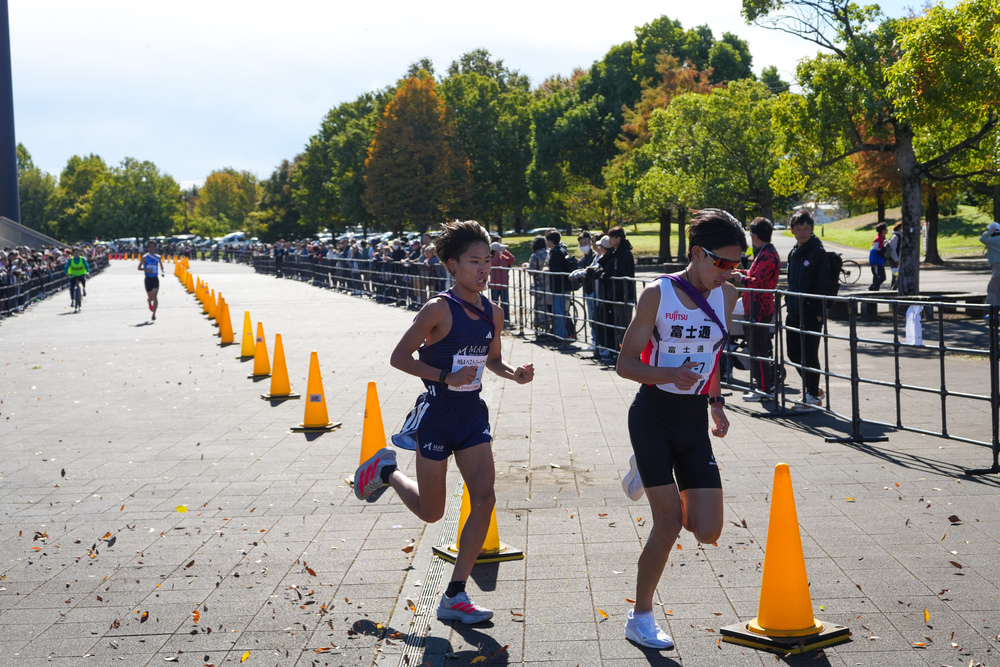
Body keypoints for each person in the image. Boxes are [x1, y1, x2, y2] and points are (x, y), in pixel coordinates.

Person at [353, 220, 534, 625]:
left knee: (484, 497)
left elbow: (492, 360)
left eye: (488, 261)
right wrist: (443, 377)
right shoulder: (437, 309)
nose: (484, 269)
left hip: (472, 415)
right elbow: (399, 358)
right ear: (452, 265)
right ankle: (386, 471)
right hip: (436, 417)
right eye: (475, 262)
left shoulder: (494, 312)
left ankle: (455, 595)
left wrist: (513, 373)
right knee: (432, 513)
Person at [615, 209, 743, 650]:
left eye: (736, 264)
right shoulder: (658, 294)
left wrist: (717, 402)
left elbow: (711, 354)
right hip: (652, 415)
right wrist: (664, 373)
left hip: (693, 422)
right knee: (667, 524)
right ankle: (641, 615)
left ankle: (647, 474)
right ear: (696, 253)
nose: (728, 273)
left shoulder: (727, 296)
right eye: (721, 263)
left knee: (706, 530)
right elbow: (625, 363)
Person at [785, 209, 829, 411]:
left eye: (806, 228)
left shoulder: (818, 252)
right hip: (793, 311)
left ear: (812, 229)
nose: (802, 232)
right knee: (793, 354)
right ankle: (814, 388)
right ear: (792, 230)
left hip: (812, 312)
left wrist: (820, 310)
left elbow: (823, 283)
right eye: (798, 228)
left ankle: (812, 396)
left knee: (810, 354)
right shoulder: (793, 252)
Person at [733, 217, 780, 401]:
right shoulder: (765, 252)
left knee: (758, 350)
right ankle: (762, 387)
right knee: (756, 349)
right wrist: (742, 273)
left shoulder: (767, 254)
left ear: (755, 237)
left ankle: (764, 389)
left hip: (759, 307)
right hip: (756, 306)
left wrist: (741, 279)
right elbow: (756, 276)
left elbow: (758, 283)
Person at [604, 226, 636, 353]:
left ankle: (626, 354)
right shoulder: (615, 253)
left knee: (624, 326)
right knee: (618, 325)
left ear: (618, 238)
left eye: (612, 237)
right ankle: (619, 352)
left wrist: (622, 293)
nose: (609, 240)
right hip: (616, 295)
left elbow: (624, 275)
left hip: (624, 295)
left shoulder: (625, 254)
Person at [544, 230, 571, 340]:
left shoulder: (556, 253)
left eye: (546, 240)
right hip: (563, 286)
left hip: (559, 288)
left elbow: (557, 270)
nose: (545, 242)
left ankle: (560, 336)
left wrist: (549, 271)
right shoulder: (562, 250)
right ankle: (563, 333)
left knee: (559, 312)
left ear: (551, 241)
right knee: (561, 311)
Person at [525, 236, 551, 335]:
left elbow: (531, 270)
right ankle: (548, 328)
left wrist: (526, 266)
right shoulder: (549, 252)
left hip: (540, 284)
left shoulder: (535, 255)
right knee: (549, 306)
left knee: (540, 306)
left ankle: (543, 327)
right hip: (550, 284)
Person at [488, 239, 516, 323]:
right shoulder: (490, 258)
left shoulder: (503, 257)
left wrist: (505, 251)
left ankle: (506, 320)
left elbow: (512, 260)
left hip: (504, 284)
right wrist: (496, 254)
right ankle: (495, 320)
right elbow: (493, 263)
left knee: (505, 303)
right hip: (495, 285)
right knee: (495, 303)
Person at [138, 241, 165, 320]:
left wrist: (163, 272)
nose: (152, 248)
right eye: (150, 247)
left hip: (155, 279)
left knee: (155, 296)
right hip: (148, 279)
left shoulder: (158, 257)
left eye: (153, 246)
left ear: (155, 248)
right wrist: (146, 269)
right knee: (151, 297)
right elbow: (139, 268)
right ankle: (149, 301)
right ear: (148, 248)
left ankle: (154, 314)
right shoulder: (145, 257)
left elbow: (161, 267)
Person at [981, 222, 1000, 316]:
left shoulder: (994, 240)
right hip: (997, 265)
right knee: (997, 289)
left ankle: (992, 312)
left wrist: (989, 232)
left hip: (998, 266)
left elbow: (982, 239)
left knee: (992, 289)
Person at [869, 222, 887, 291]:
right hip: (876, 262)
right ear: (883, 230)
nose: (887, 230)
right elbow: (874, 250)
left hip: (879, 261)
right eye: (886, 228)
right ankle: (872, 290)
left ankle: (872, 289)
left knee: (881, 277)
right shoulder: (879, 239)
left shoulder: (881, 238)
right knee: (878, 277)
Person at [887, 222, 902, 289]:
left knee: (895, 275)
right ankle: (894, 288)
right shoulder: (896, 237)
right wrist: (897, 260)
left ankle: (893, 288)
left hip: (895, 259)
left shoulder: (899, 236)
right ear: (899, 229)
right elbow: (892, 249)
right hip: (893, 260)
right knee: (897, 274)